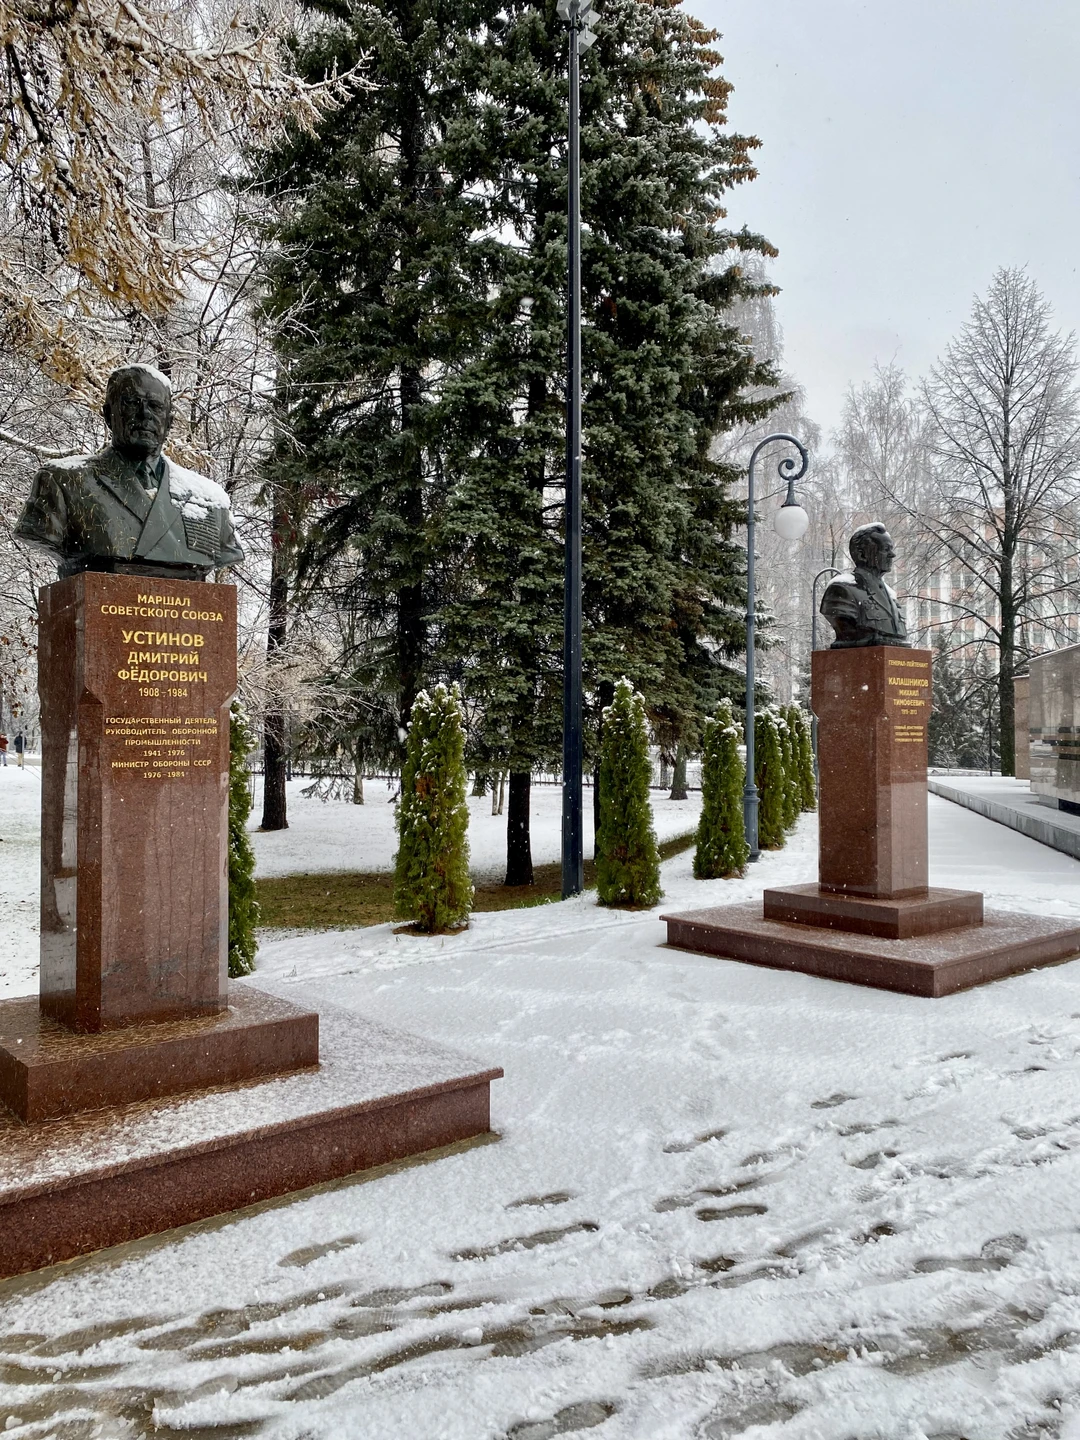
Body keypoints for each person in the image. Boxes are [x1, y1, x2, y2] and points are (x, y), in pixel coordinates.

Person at [15, 363, 244, 580]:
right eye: (132, 402)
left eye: (155, 406)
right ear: (108, 414)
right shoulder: (63, 481)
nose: (145, 414)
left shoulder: (210, 501)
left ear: (169, 421)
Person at [819, 523, 910, 649]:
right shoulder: (842, 590)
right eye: (885, 549)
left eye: (891, 549)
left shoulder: (891, 596)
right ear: (862, 554)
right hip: (865, 656)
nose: (892, 555)